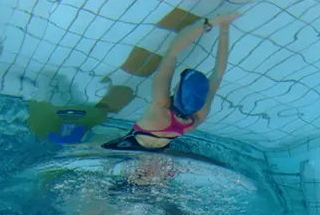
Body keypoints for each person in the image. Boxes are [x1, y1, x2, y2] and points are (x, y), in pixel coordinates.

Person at [102, 13, 241, 152]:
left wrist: (214, 22)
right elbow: (219, 72)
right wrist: (225, 26)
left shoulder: (161, 106)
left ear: (177, 89)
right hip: (157, 149)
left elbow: (173, 53)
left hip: (131, 144)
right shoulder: (196, 118)